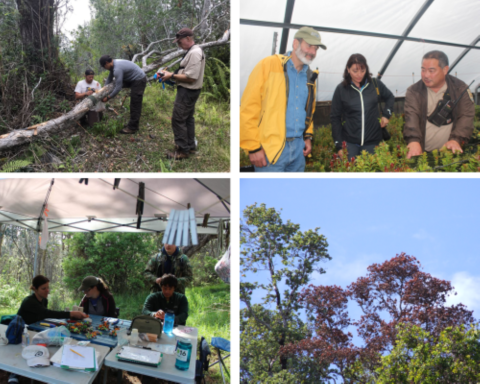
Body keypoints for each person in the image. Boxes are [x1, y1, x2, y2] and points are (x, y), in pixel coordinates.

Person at [240, 26, 324, 172]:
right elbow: (248, 109)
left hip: (298, 151)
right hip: (270, 152)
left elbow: (308, 111)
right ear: (295, 44)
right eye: (309, 46)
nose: (312, 52)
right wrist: (253, 148)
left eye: (316, 48)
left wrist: (308, 137)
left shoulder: (310, 77)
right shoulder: (268, 65)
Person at [404, 50, 475, 158]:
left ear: (445, 69)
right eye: (423, 70)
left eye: (431, 71)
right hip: (423, 152)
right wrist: (413, 141)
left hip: (451, 152)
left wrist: (456, 140)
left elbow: (466, 116)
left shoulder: (460, 89)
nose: (426, 75)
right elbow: (411, 116)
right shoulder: (414, 91)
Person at [330, 53, 395, 159]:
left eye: (362, 70)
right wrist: (339, 146)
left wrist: (386, 114)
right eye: (355, 71)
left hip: (373, 143)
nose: (359, 74)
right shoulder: (341, 89)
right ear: (348, 69)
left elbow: (390, 97)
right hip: (350, 144)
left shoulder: (375, 84)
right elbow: (335, 118)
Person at [159, 28, 206, 160]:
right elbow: (186, 71)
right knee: (187, 118)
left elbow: (191, 77)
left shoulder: (195, 52)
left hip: (188, 91)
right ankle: (190, 146)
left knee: (178, 119)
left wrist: (171, 75)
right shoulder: (191, 51)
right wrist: (170, 75)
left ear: (188, 39)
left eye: (180, 42)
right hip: (188, 90)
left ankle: (182, 150)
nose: (179, 45)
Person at [99, 55, 147, 134]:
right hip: (133, 79)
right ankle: (132, 124)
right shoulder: (113, 64)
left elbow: (118, 88)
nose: (105, 68)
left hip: (139, 80)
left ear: (107, 63)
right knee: (115, 83)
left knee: (135, 103)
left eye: (104, 67)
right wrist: (103, 91)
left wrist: (108, 97)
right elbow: (109, 78)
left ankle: (133, 127)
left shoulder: (117, 68)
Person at [17, 275, 87, 325]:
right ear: (35, 289)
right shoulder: (29, 302)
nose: (47, 290)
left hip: (36, 328)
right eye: (43, 289)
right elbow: (47, 313)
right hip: (23, 330)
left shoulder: (44, 300)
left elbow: (44, 316)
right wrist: (71, 314)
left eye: (48, 287)